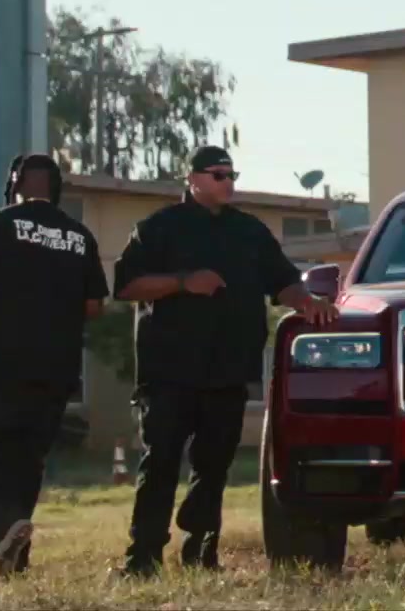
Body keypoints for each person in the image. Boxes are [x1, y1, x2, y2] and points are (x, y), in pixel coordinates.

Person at [112, 146, 340, 576]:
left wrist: (308, 302)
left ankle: (201, 552)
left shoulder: (248, 231)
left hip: (228, 370)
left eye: (232, 174)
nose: (227, 182)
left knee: (214, 466)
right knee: (160, 463)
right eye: (218, 174)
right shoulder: (159, 228)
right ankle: (142, 557)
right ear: (193, 179)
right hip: (169, 372)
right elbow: (126, 286)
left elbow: (283, 281)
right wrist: (184, 282)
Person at [0, 154, 107, 577]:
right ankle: (9, 560)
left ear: (15, 185)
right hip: (57, 370)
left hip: (2, 364)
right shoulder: (81, 236)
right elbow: (94, 306)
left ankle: (0, 529)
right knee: (25, 460)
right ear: (56, 188)